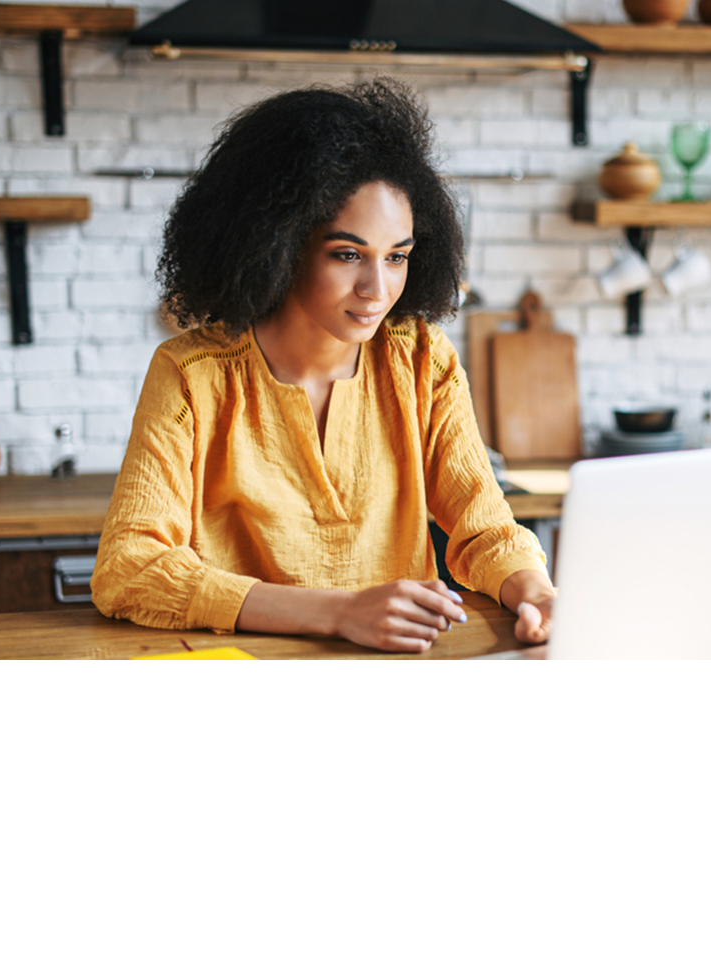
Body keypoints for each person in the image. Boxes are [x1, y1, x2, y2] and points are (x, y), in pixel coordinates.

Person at [91, 78, 555, 653]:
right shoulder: (192, 373)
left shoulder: (420, 357)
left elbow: (484, 527)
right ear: (277, 244)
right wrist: (339, 613)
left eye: (397, 257)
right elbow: (129, 569)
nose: (377, 289)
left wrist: (534, 590)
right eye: (347, 254)